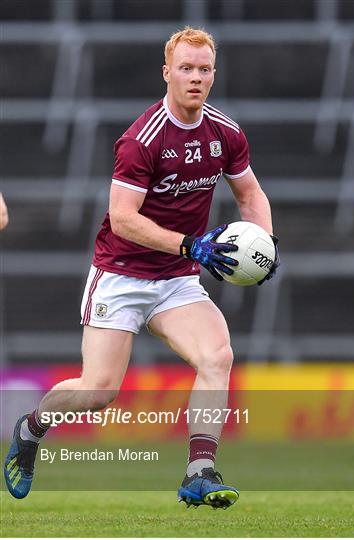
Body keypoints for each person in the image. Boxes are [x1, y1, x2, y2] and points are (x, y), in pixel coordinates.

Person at [4, 27, 279, 508]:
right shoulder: (141, 139)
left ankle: (199, 471)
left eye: (204, 69)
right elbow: (124, 220)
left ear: (214, 74)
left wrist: (266, 245)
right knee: (98, 391)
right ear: (167, 72)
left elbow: (250, 194)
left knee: (217, 356)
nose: (196, 78)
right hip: (122, 273)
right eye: (186, 68)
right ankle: (30, 428)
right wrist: (190, 245)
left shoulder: (226, 133)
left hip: (176, 279)